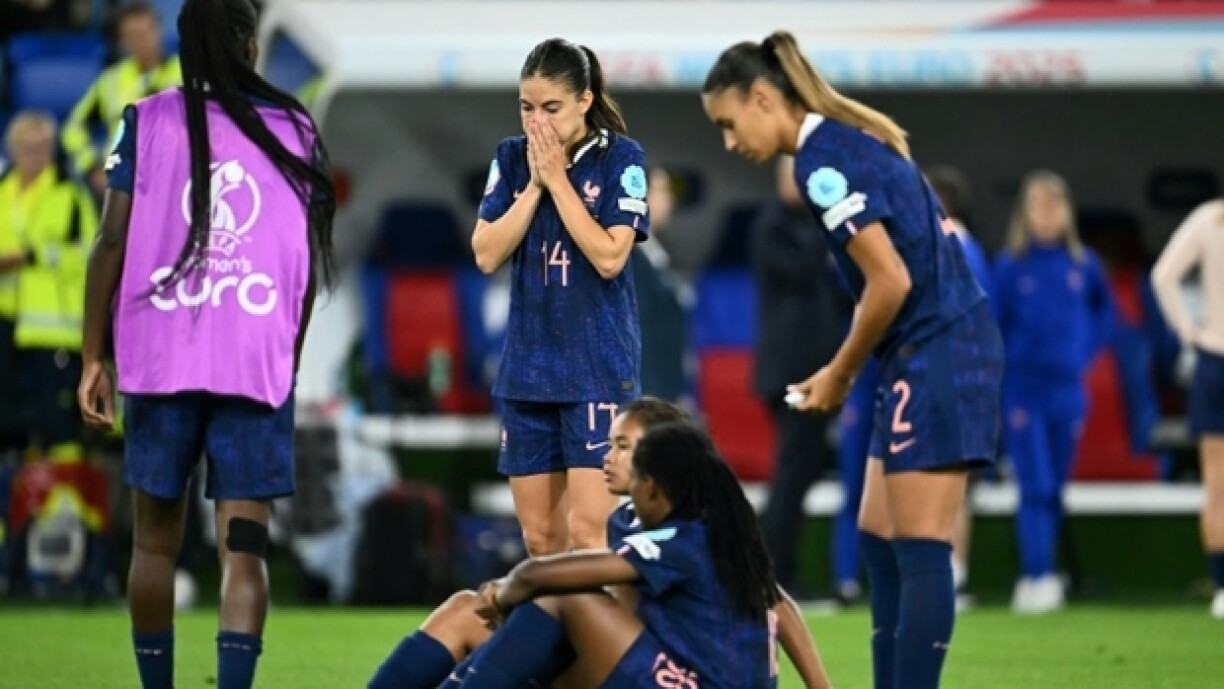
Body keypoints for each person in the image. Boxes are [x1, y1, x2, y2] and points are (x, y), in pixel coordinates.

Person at [701, 31, 1004, 689]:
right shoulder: (840, 141)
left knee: (921, 543)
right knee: (877, 530)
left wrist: (838, 372)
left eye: (728, 123)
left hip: (941, 347)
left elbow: (888, 281)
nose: (729, 142)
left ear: (762, 97)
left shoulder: (822, 162)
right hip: (920, 348)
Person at [76, 1, 335, 687]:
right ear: (251, 46)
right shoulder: (294, 128)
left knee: (154, 546)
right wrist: (289, 351)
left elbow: (109, 241)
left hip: (160, 362)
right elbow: (302, 265)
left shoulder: (148, 118)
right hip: (252, 364)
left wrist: (92, 355)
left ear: (182, 47)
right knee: (241, 552)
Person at [369, 398, 832, 689]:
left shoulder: (691, 533)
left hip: (677, 676)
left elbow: (774, 602)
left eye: (625, 447)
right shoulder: (632, 519)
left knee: (562, 599)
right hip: (636, 665)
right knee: (466, 610)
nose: (607, 457)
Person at [472, 38, 650, 557]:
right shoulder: (510, 159)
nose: (537, 123)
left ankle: (605, 640)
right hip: (527, 371)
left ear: (584, 101)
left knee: (590, 534)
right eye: (527, 108)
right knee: (541, 540)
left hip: (596, 369)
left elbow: (610, 256)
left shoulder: (622, 158)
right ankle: (553, 640)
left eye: (551, 108)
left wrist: (559, 182)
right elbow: (485, 253)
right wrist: (533, 187)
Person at [457, 421, 782, 689]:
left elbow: (535, 575)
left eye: (636, 480)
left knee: (566, 596)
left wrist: (500, 595)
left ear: (651, 486)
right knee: (558, 654)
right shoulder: (723, 541)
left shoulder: (679, 540)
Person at [993, 171, 1114, 615]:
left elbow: (1105, 316)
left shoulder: (1084, 266)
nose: (1047, 215)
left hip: (1068, 392)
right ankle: (1036, 575)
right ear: (1024, 214)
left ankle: (1045, 573)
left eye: (1054, 205)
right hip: (1025, 391)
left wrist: (1083, 352)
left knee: (1056, 486)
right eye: (1038, 206)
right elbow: (993, 325)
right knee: (1035, 485)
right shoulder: (1010, 265)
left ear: (1066, 212)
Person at [751, 155, 849, 599]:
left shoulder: (810, 226)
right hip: (793, 374)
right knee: (792, 474)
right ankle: (772, 573)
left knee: (801, 472)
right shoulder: (772, 224)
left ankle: (777, 571)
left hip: (814, 373)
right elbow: (805, 268)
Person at [1, 112, 98, 461]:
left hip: (50, 330)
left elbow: (89, 257)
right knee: (8, 425)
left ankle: (64, 508)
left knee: (57, 425)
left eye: (42, 148)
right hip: (5, 323)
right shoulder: (2, 192)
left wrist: (32, 256)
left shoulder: (70, 196)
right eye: (27, 148)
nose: (35, 156)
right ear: (12, 150)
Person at [1151, 198, 1224, 619]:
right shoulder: (1209, 219)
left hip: (1213, 360)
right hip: (1213, 358)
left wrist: (1188, 331)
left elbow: (1164, 276)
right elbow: (1163, 276)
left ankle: (1222, 587)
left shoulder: (1208, 218)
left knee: (1217, 484)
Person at [925, 164, 992, 609]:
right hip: (935, 376)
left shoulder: (958, 247)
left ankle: (952, 574)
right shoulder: (931, 246)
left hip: (951, 377)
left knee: (948, 480)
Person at [61, 1, 182, 195]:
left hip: (175, 175)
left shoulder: (186, 73)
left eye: (145, 32)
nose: (141, 40)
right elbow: (72, 127)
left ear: (159, 30)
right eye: (132, 35)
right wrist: (91, 166)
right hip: (123, 181)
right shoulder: (111, 80)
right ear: (123, 40)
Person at [631, 167, 688, 403]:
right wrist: (648, 388)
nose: (670, 200)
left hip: (667, 383)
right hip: (648, 386)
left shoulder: (661, 249)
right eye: (661, 191)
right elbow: (640, 324)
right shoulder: (629, 255)